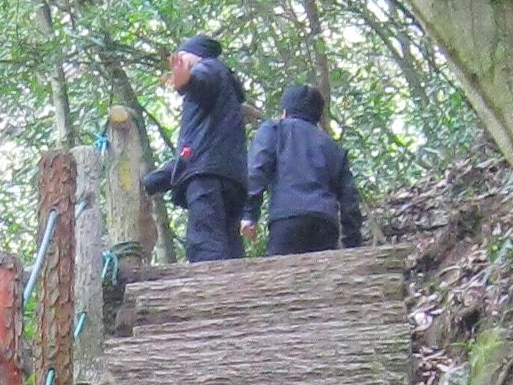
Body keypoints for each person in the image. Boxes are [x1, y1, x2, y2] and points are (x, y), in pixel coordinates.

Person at [142, 36, 250, 263]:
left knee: (205, 243)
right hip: (232, 180)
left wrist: (188, 82)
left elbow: (202, 82)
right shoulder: (225, 103)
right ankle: (235, 292)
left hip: (206, 180)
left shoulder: (209, 69)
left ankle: (210, 293)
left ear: (196, 56)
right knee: (230, 245)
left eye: (183, 56)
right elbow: (190, 156)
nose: (178, 61)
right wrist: (150, 183)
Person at [244, 81, 362, 256]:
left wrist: (249, 214)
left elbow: (257, 170)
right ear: (317, 116)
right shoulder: (333, 147)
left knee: (282, 279)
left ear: (285, 112)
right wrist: (352, 242)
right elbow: (349, 197)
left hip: (287, 220)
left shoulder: (274, 130)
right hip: (325, 224)